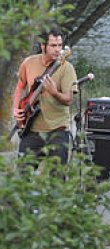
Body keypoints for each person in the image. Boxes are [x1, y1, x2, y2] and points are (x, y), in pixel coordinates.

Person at [12, 29, 77, 165]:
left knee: (57, 179)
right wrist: (15, 110)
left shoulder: (67, 68)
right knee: (24, 177)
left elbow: (69, 100)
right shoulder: (28, 63)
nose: (58, 49)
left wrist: (54, 93)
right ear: (43, 46)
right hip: (31, 130)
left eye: (60, 45)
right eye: (53, 45)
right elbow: (19, 87)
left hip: (57, 132)